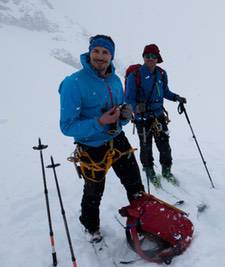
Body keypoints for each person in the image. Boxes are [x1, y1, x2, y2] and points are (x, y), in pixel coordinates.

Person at [59, 34, 144, 242]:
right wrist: (99, 122)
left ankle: (143, 220)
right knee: (94, 192)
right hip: (91, 146)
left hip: (117, 138)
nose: (100, 56)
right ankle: (91, 227)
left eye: (105, 52)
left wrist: (124, 116)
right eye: (96, 51)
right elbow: (67, 126)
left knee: (135, 185)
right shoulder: (74, 83)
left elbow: (118, 112)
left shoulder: (115, 80)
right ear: (89, 52)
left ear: (111, 56)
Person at [125, 44, 186, 188]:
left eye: (153, 56)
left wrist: (176, 97)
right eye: (147, 56)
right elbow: (128, 99)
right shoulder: (135, 76)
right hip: (142, 118)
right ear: (143, 57)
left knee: (164, 144)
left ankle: (166, 171)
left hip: (159, 116)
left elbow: (165, 91)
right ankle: (149, 170)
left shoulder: (162, 74)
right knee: (146, 146)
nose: (150, 59)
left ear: (158, 58)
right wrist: (137, 108)